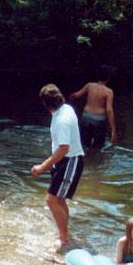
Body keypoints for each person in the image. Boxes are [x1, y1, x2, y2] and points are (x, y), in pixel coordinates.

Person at [30, 84, 85, 247]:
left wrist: (42, 166)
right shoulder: (66, 108)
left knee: (51, 199)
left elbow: (64, 148)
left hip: (69, 161)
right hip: (66, 160)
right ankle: (64, 232)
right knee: (59, 199)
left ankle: (63, 237)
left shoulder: (61, 120)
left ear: (45, 104)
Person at [68, 67, 118, 149]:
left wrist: (69, 99)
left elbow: (75, 95)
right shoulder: (109, 92)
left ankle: (85, 160)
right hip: (99, 120)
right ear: (108, 78)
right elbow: (109, 110)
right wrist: (113, 130)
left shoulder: (89, 85)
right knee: (97, 147)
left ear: (97, 76)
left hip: (86, 117)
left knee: (84, 144)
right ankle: (95, 161)